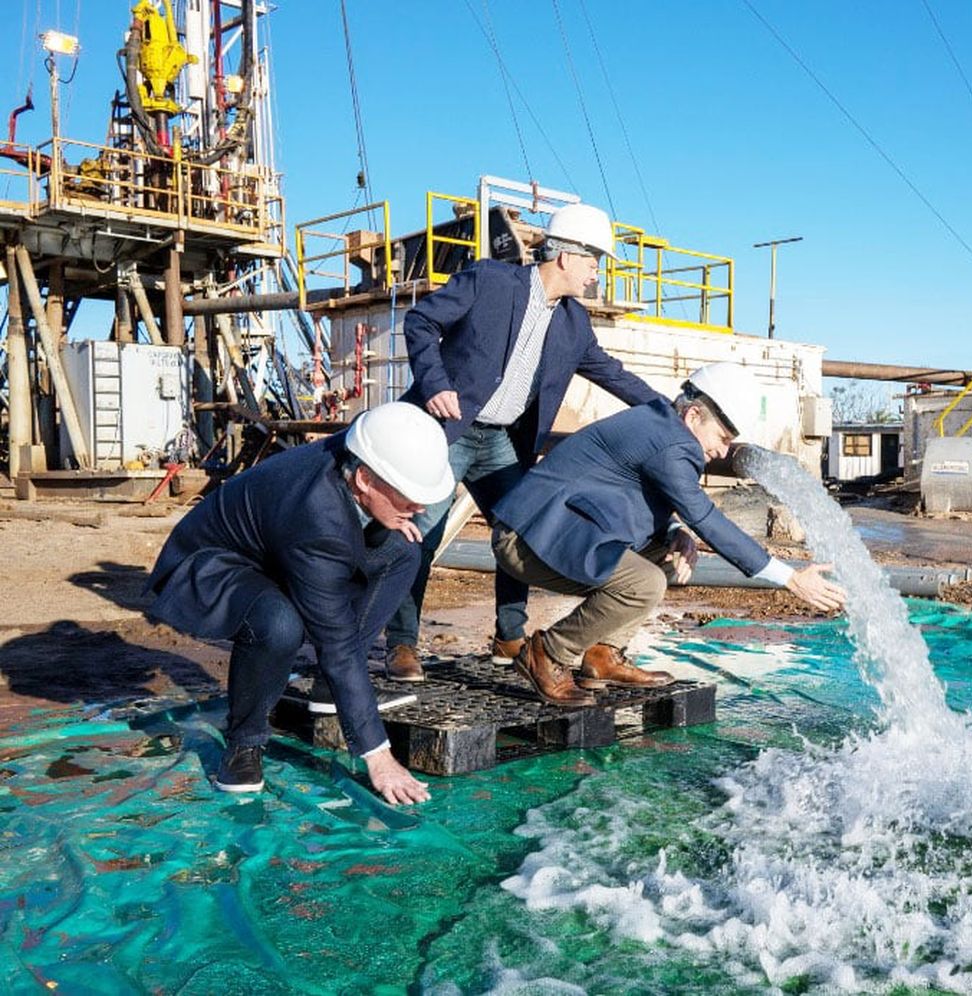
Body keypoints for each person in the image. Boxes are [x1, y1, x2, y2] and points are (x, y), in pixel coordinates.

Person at [386, 202, 666, 683]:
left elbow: (611, 374)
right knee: (420, 535)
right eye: (593, 260)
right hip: (449, 430)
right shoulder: (490, 281)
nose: (596, 273)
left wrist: (671, 410)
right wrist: (435, 384)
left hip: (502, 442)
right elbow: (421, 323)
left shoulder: (574, 323)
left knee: (523, 528)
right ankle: (402, 645)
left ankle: (509, 637)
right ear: (565, 256)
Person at [490, 362, 847, 706]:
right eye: (722, 437)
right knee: (644, 583)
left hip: (557, 526)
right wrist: (791, 579)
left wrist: (675, 530)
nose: (723, 452)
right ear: (694, 416)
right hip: (526, 537)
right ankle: (547, 653)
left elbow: (638, 492)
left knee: (666, 555)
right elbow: (707, 518)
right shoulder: (674, 445)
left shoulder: (662, 425)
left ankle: (602, 655)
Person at [144, 402, 449, 805]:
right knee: (278, 623)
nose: (420, 508)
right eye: (408, 498)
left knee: (404, 551)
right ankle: (244, 743)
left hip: (275, 548)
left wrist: (390, 515)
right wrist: (379, 755)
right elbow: (335, 641)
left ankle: (329, 687)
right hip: (209, 564)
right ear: (364, 480)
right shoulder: (317, 516)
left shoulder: (365, 450)